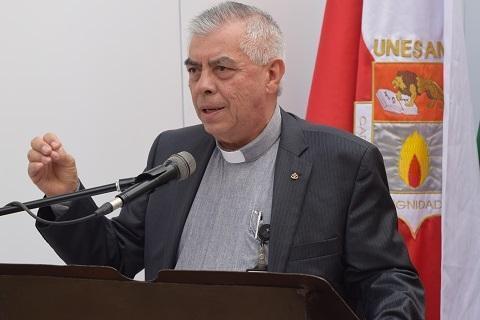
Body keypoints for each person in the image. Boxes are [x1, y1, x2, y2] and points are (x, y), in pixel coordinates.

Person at [27, 2, 424, 319]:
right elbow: (114, 258)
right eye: (194, 70)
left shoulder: (341, 161)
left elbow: (385, 280)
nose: (203, 86)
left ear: (272, 74)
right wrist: (64, 197)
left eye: (221, 69)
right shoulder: (173, 152)